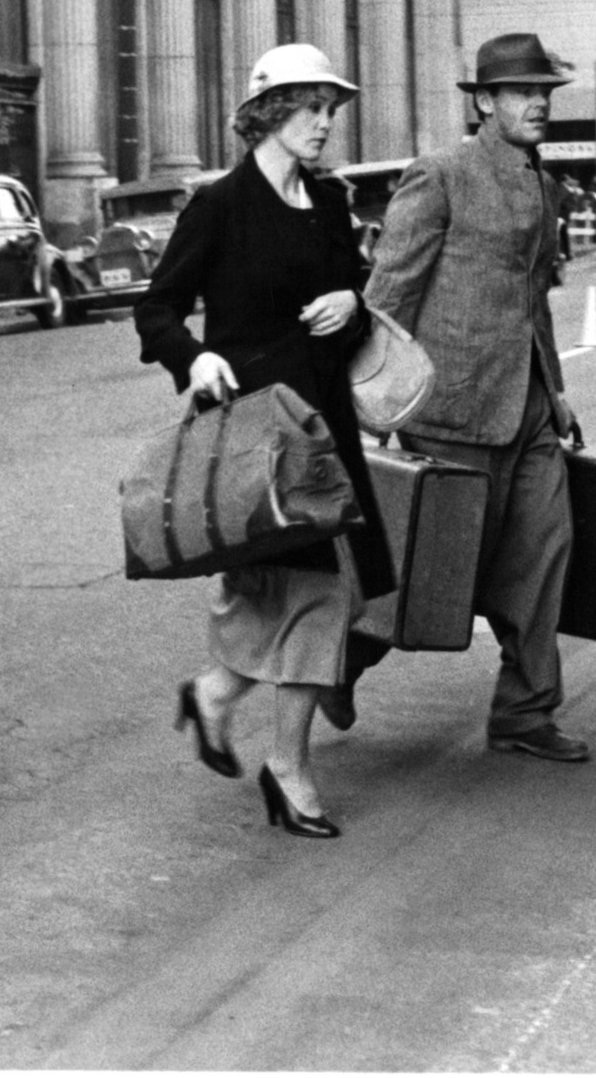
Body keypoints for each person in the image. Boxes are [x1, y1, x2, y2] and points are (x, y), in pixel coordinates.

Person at [134, 43, 396, 840]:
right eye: (312, 108)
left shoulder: (325, 202)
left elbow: (355, 280)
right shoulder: (219, 207)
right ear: (271, 113)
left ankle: (213, 697)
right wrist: (197, 356)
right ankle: (287, 767)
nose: (326, 124)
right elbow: (159, 310)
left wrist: (349, 302)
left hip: (323, 428)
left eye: (330, 109)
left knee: (285, 595)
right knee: (319, 594)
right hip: (255, 435)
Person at [354, 31, 590, 763]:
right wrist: (371, 409)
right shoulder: (441, 174)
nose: (538, 105)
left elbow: (535, 302)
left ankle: (524, 711)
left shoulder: (543, 183)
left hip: (528, 409)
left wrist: (556, 391)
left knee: (545, 552)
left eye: (545, 93)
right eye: (523, 92)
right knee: (433, 577)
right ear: (484, 101)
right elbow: (388, 297)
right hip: (452, 409)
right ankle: (337, 663)